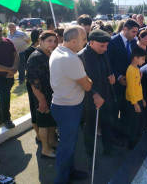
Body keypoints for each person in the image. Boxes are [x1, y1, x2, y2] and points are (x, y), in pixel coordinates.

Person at [50, 26, 95, 183]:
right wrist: (89, 78)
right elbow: (88, 85)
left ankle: (69, 172)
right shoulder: (70, 59)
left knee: (70, 144)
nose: (86, 42)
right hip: (68, 109)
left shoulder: (59, 50)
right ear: (74, 41)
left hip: (64, 106)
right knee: (66, 147)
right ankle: (61, 180)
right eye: (84, 39)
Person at [78, 29, 117, 163]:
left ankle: (108, 148)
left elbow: (108, 70)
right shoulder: (81, 57)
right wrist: (94, 94)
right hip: (89, 101)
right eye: (102, 46)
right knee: (90, 129)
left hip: (107, 97)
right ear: (92, 42)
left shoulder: (104, 53)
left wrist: (111, 78)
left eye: (106, 45)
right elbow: (79, 82)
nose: (105, 49)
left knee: (108, 124)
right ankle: (90, 155)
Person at [26, 31, 58, 158]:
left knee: (51, 121)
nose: (53, 43)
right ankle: (45, 149)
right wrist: (42, 100)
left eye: (55, 41)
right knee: (44, 123)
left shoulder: (49, 54)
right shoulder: (35, 57)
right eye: (49, 41)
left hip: (51, 94)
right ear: (41, 41)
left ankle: (52, 142)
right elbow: (34, 82)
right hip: (42, 96)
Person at [107, 19, 139, 131]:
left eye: (136, 32)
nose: (136, 35)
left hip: (129, 83)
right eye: (133, 32)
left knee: (126, 109)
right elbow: (108, 63)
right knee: (115, 110)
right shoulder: (112, 42)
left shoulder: (134, 42)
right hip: (116, 83)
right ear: (125, 29)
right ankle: (114, 135)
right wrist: (119, 76)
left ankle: (124, 132)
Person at [125, 47, 147, 149]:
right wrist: (135, 104)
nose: (144, 61)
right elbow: (130, 88)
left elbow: (138, 86)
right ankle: (131, 144)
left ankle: (137, 139)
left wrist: (142, 98)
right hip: (133, 101)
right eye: (142, 59)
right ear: (135, 58)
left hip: (138, 99)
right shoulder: (130, 70)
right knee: (134, 123)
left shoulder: (136, 69)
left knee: (139, 121)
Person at [0, 23, 19, 129]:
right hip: (0, 76)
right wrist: (9, 70)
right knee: (4, 97)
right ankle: (6, 119)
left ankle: (0, 116)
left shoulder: (8, 42)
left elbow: (16, 55)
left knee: (4, 97)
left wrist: (14, 68)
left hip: (9, 76)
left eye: (0, 30)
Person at [25, 29, 42, 142]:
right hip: (33, 83)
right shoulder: (29, 51)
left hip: (42, 83)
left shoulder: (43, 50)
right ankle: (38, 135)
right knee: (34, 107)